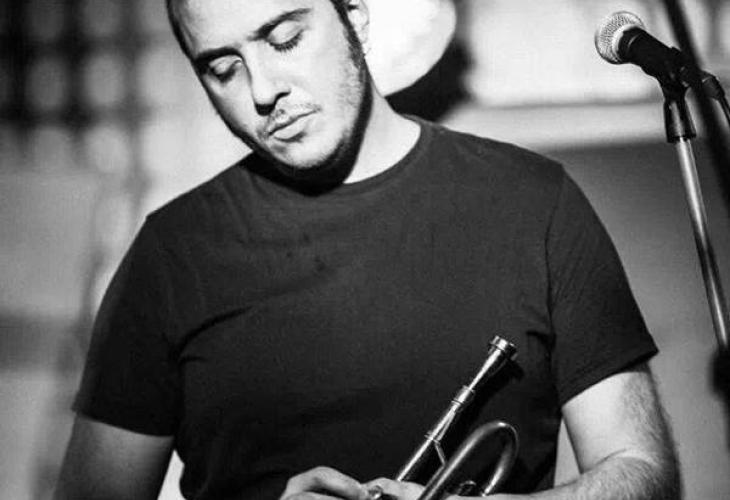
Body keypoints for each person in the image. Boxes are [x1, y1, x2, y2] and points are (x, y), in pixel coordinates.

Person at [54, 0, 680, 499]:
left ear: (354, 16)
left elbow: (642, 470)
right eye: (223, 69)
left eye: (284, 40)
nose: (263, 90)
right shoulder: (171, 254)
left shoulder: (536, 202)